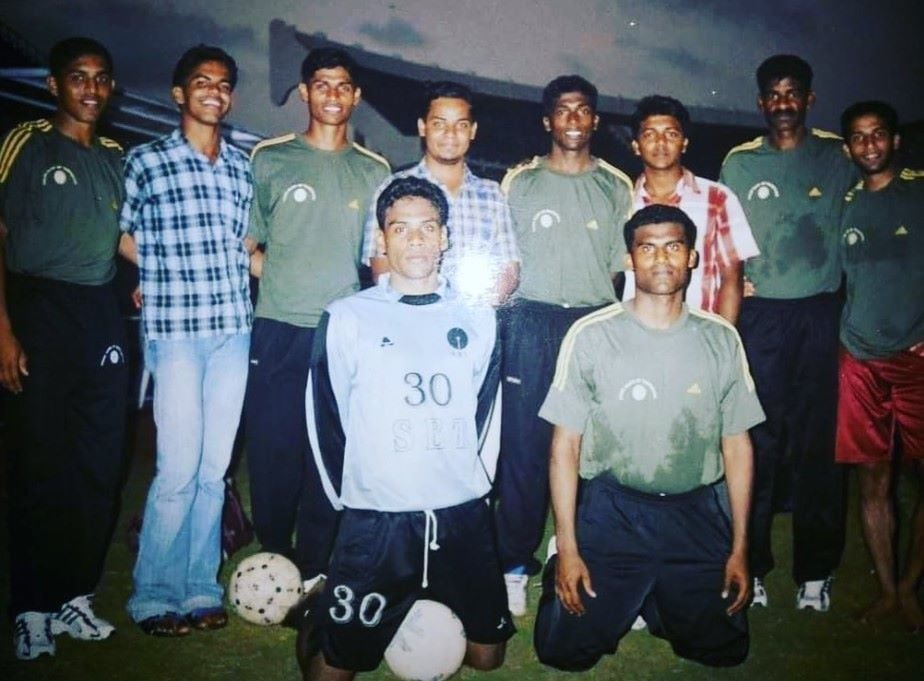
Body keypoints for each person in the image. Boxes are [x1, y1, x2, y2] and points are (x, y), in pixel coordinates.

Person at [298, 176, 514, 680]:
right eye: (400, 229)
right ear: (382, 240)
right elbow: (326, 420)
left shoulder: (478, 316)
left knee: (486, 658)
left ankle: (418, 602)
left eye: (427, 228)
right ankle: (319, 615)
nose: (415, 240)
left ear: (445, 238)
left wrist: (472, 487)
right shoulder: (347, 317)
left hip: (459, 513)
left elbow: (486, 412)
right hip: (379, 517)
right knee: (332, 672)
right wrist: (353, 497)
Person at [534, 204, 762, 670]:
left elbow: (738, 446)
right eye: (648, 247)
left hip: (693, 511)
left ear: (692, 258)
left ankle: (657, 597)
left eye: (674, 246)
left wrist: (740, 548)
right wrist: (568, 547)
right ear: (629, 260)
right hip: (614, 509)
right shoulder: (591, 335)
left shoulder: (720, 338)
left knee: (723, 651)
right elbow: (565, 447)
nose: (661, 259)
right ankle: (607, 584)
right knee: (564, 653)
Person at [243, 47, 389, 595]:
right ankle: (273, 561)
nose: (332, 94)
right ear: (304, 93)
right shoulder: (270, 157)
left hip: (341, 335)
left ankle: (317, 563)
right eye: (321, 85)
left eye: (343, 85)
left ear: (356, 96)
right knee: (274, 445)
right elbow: (247, 244)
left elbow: (375, 258)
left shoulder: (373, 171)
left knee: (329, 448)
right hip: (279, 324)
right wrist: (280, 274)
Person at [0, 36, 128, 660]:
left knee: (100, 463)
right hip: (38, 306)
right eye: (78, 77)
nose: (91, 89)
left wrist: (154, 285)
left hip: (100, 311)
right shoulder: (27, 141)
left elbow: (125, 242)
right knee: (39, 462)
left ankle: (74, 596)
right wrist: (3, 330)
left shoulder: (113, 155)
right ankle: (30, 606)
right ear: (54, 85)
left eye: (101, 78)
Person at [119, 44, 253, 637]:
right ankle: (152, 594)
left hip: (232, 331)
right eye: (202, 82)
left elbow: (249, 249)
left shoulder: (243, 166)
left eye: (223, 85)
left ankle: (200, 586)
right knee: (176, 467)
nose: (213, 92)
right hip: (175, 333)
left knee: (213, 469)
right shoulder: (147, 161)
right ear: (180, 94)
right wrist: (155, 272)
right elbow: (118, 234)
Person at [719, 54, 856, 610]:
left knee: (819, 445)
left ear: (809, 99)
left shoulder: (837, 156)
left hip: (821, 314)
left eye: (792, 93)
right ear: (760, 103)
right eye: (772, 95)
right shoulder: (740, 163)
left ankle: (816, 572)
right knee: (758, 441)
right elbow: (724, 242)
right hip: (763, 319)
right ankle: (751, 565)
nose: (782, 103)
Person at [495, 75, 633, 615]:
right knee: (525, 448)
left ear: (595, 121)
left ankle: (578, 551)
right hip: (529, 320)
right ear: (547, 121)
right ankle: (513, 562)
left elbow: (623, 272)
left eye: (583, 111)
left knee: (592, 449)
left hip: (593, 323)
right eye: (562, 111)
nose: (573, 120)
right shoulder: (520, 182)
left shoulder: (617, 186)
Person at [836, 100, 924, 631]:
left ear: (895, 140)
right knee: (874, 478)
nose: (868, 145)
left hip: (916, 357)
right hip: (859, 358)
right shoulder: (844, 203)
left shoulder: (918, 191)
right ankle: (889, 590)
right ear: (848, 147)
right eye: (858, 138)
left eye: (877, 135)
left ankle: (912, 587)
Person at [361, 80, 519, 305]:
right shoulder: (392, 189)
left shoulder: (492, 195)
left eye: (461, 125)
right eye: (439, 124)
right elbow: (380, 266)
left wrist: (473, 316)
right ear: (422, 127)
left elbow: (508, 269)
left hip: (472, 324)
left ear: (472, 131)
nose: (450, 134)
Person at [623, 95, 759, 323]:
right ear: (636, 146)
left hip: (700, 332)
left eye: (671, 134)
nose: (661, 143)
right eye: (649, 135)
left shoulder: (717, 199)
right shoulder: (622, 202)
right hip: (636, 330)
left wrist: (723, 338)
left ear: (684, 143)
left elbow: (732, 279)